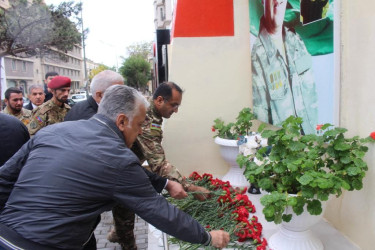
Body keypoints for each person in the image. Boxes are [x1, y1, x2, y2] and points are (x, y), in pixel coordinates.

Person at [0, 85, 230, 249]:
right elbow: (159, 212)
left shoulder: (52, 132)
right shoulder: (118, 157)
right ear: (121, 121)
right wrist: (207, 237)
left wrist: (166, 183)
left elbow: (4, 180)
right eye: (139, 125)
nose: (140, 131)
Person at [108, 82, 210, 249]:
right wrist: (190, 187)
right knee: (126, 208)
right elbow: (158, 163)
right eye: (174, 105)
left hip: (127, 165)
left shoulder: (151, 113)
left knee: (125, 208)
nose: (176, 110)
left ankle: (118, 232)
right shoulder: (146, 117)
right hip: (121, 170)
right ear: (160, 100)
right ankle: (125, 240)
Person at [251, 0, 318, 135]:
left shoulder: (297, 41)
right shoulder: (257, 56)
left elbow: (311, 92)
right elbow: (260, 117)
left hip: (311, 143)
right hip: (283, 149)